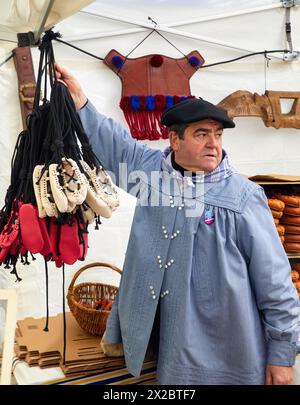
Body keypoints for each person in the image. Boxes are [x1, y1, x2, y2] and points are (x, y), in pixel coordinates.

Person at [55, 64, 300, 385]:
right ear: (174, 139)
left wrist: (282, 356)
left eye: (218, 133)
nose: (214, 143)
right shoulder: (150, 174)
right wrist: (80, 102)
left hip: (230, 352)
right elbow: (113, 144)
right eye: (202, 134)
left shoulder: (244, 197)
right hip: (170, 350)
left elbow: (276, 283)